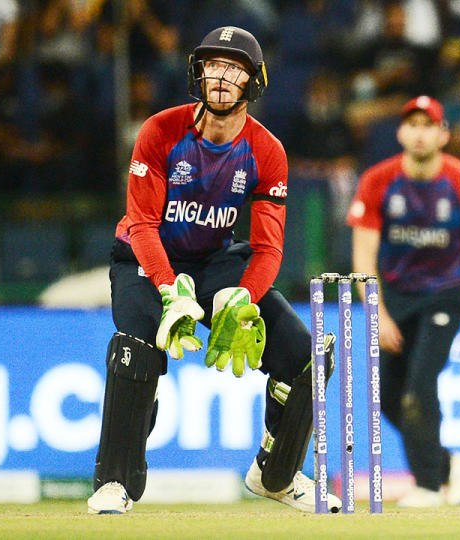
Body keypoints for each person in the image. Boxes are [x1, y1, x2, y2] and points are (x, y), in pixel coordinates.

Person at [87, 26, 340, 514]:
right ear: (197, 74)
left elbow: (267, 249)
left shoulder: (267, 151)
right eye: (212, 65)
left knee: (306, 358)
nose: (221, 76)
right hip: (145, 260)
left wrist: (241, 295)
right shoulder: (160, 131)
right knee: (135, 351)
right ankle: (115, 482)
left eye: (234, 68)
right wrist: (169, 290)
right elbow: (141, 225)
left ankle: (276, 475)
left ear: (254, 81)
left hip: (214, 262)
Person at [347, 95, 460, 507]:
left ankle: (429, 485)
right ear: (400, 132)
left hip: (446, 292)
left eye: (427, 125)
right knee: (388, 395)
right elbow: (363, 255)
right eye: (411, 125)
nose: (419, 133)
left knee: (419, 386)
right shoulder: (378, 181)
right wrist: (377, 313)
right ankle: (449, 465)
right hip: (395, 294)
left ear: (443, 134)